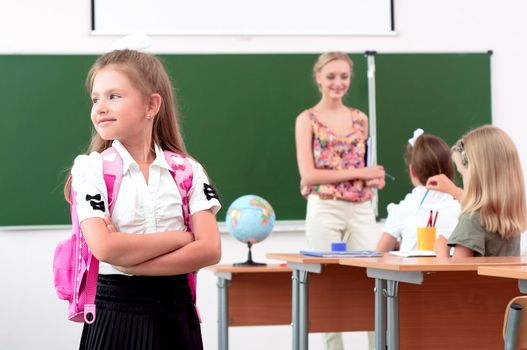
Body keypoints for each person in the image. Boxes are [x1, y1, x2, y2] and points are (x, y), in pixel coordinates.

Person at [63, 49, 221, 349]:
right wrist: (184, 238)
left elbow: (211, 249)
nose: (100, 107)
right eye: (96, 98)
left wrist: (132, 261)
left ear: (151, 104)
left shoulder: (187, 170)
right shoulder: (91, 170)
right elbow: (106, 247)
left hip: (177, 316)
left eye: (114, 96)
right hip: (115, 316)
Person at [295, 52, 384, 350]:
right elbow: (308, 175)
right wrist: (361, 172)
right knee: (325, 285)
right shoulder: (306, 120)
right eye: (331, 76)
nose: (338, 83)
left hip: (361, 207)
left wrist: (373, 178)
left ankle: (378, 345)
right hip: (325, 207)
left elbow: (364, 169)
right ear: (318, 77)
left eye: (344, 77)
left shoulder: (361, 118)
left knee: (375, 281)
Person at [375, 129, 461, 256]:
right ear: (450, 167)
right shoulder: (462, 207)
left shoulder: (404, 208)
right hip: (451, 275)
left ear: (412, 170)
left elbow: (378, 254)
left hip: (412, 275)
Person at [446, 125, 527, 257]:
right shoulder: (510, 224)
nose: (463, 180)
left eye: (462, 174)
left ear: (475, 176)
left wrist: (441, 252)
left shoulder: (471, 221)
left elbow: (456, 274)